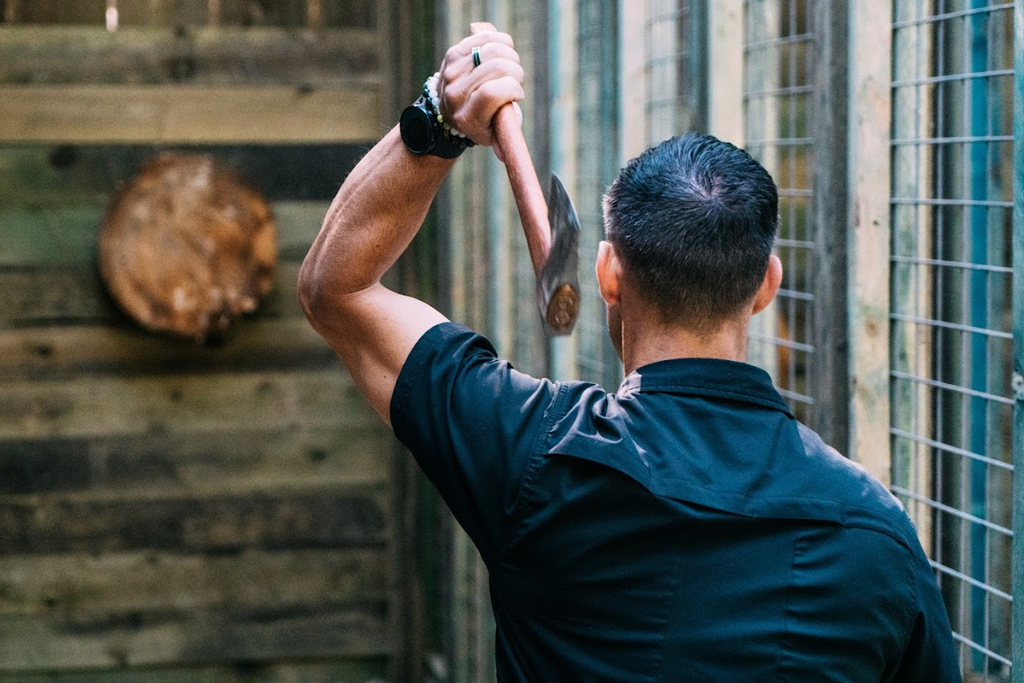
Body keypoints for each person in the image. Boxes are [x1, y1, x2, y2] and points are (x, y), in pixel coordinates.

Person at [299, 22, 961, 683]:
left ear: (608, 274)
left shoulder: (532, 453)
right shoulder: (877, 536)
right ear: (767, 285)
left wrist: (441, 116)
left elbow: (335, 289)